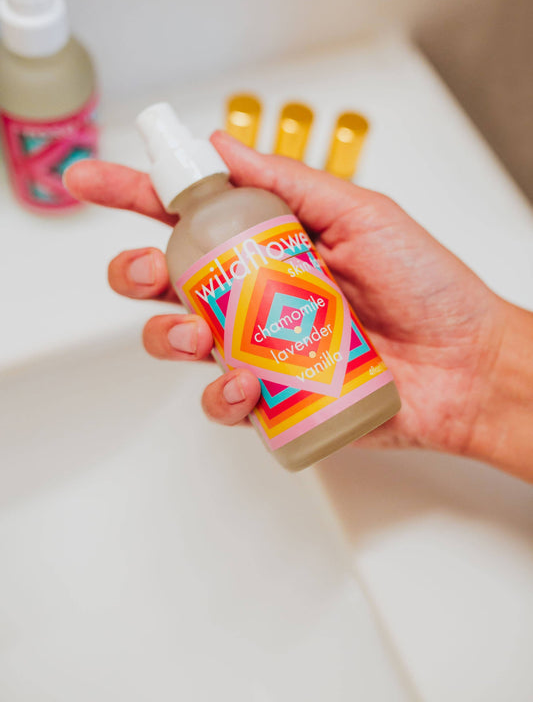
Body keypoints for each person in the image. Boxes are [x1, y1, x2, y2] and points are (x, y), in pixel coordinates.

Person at [64, 130, 533, 483]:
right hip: (314, 405)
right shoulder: (188, 241)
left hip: (363, 380)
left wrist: (485, 363)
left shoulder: (256, 203)